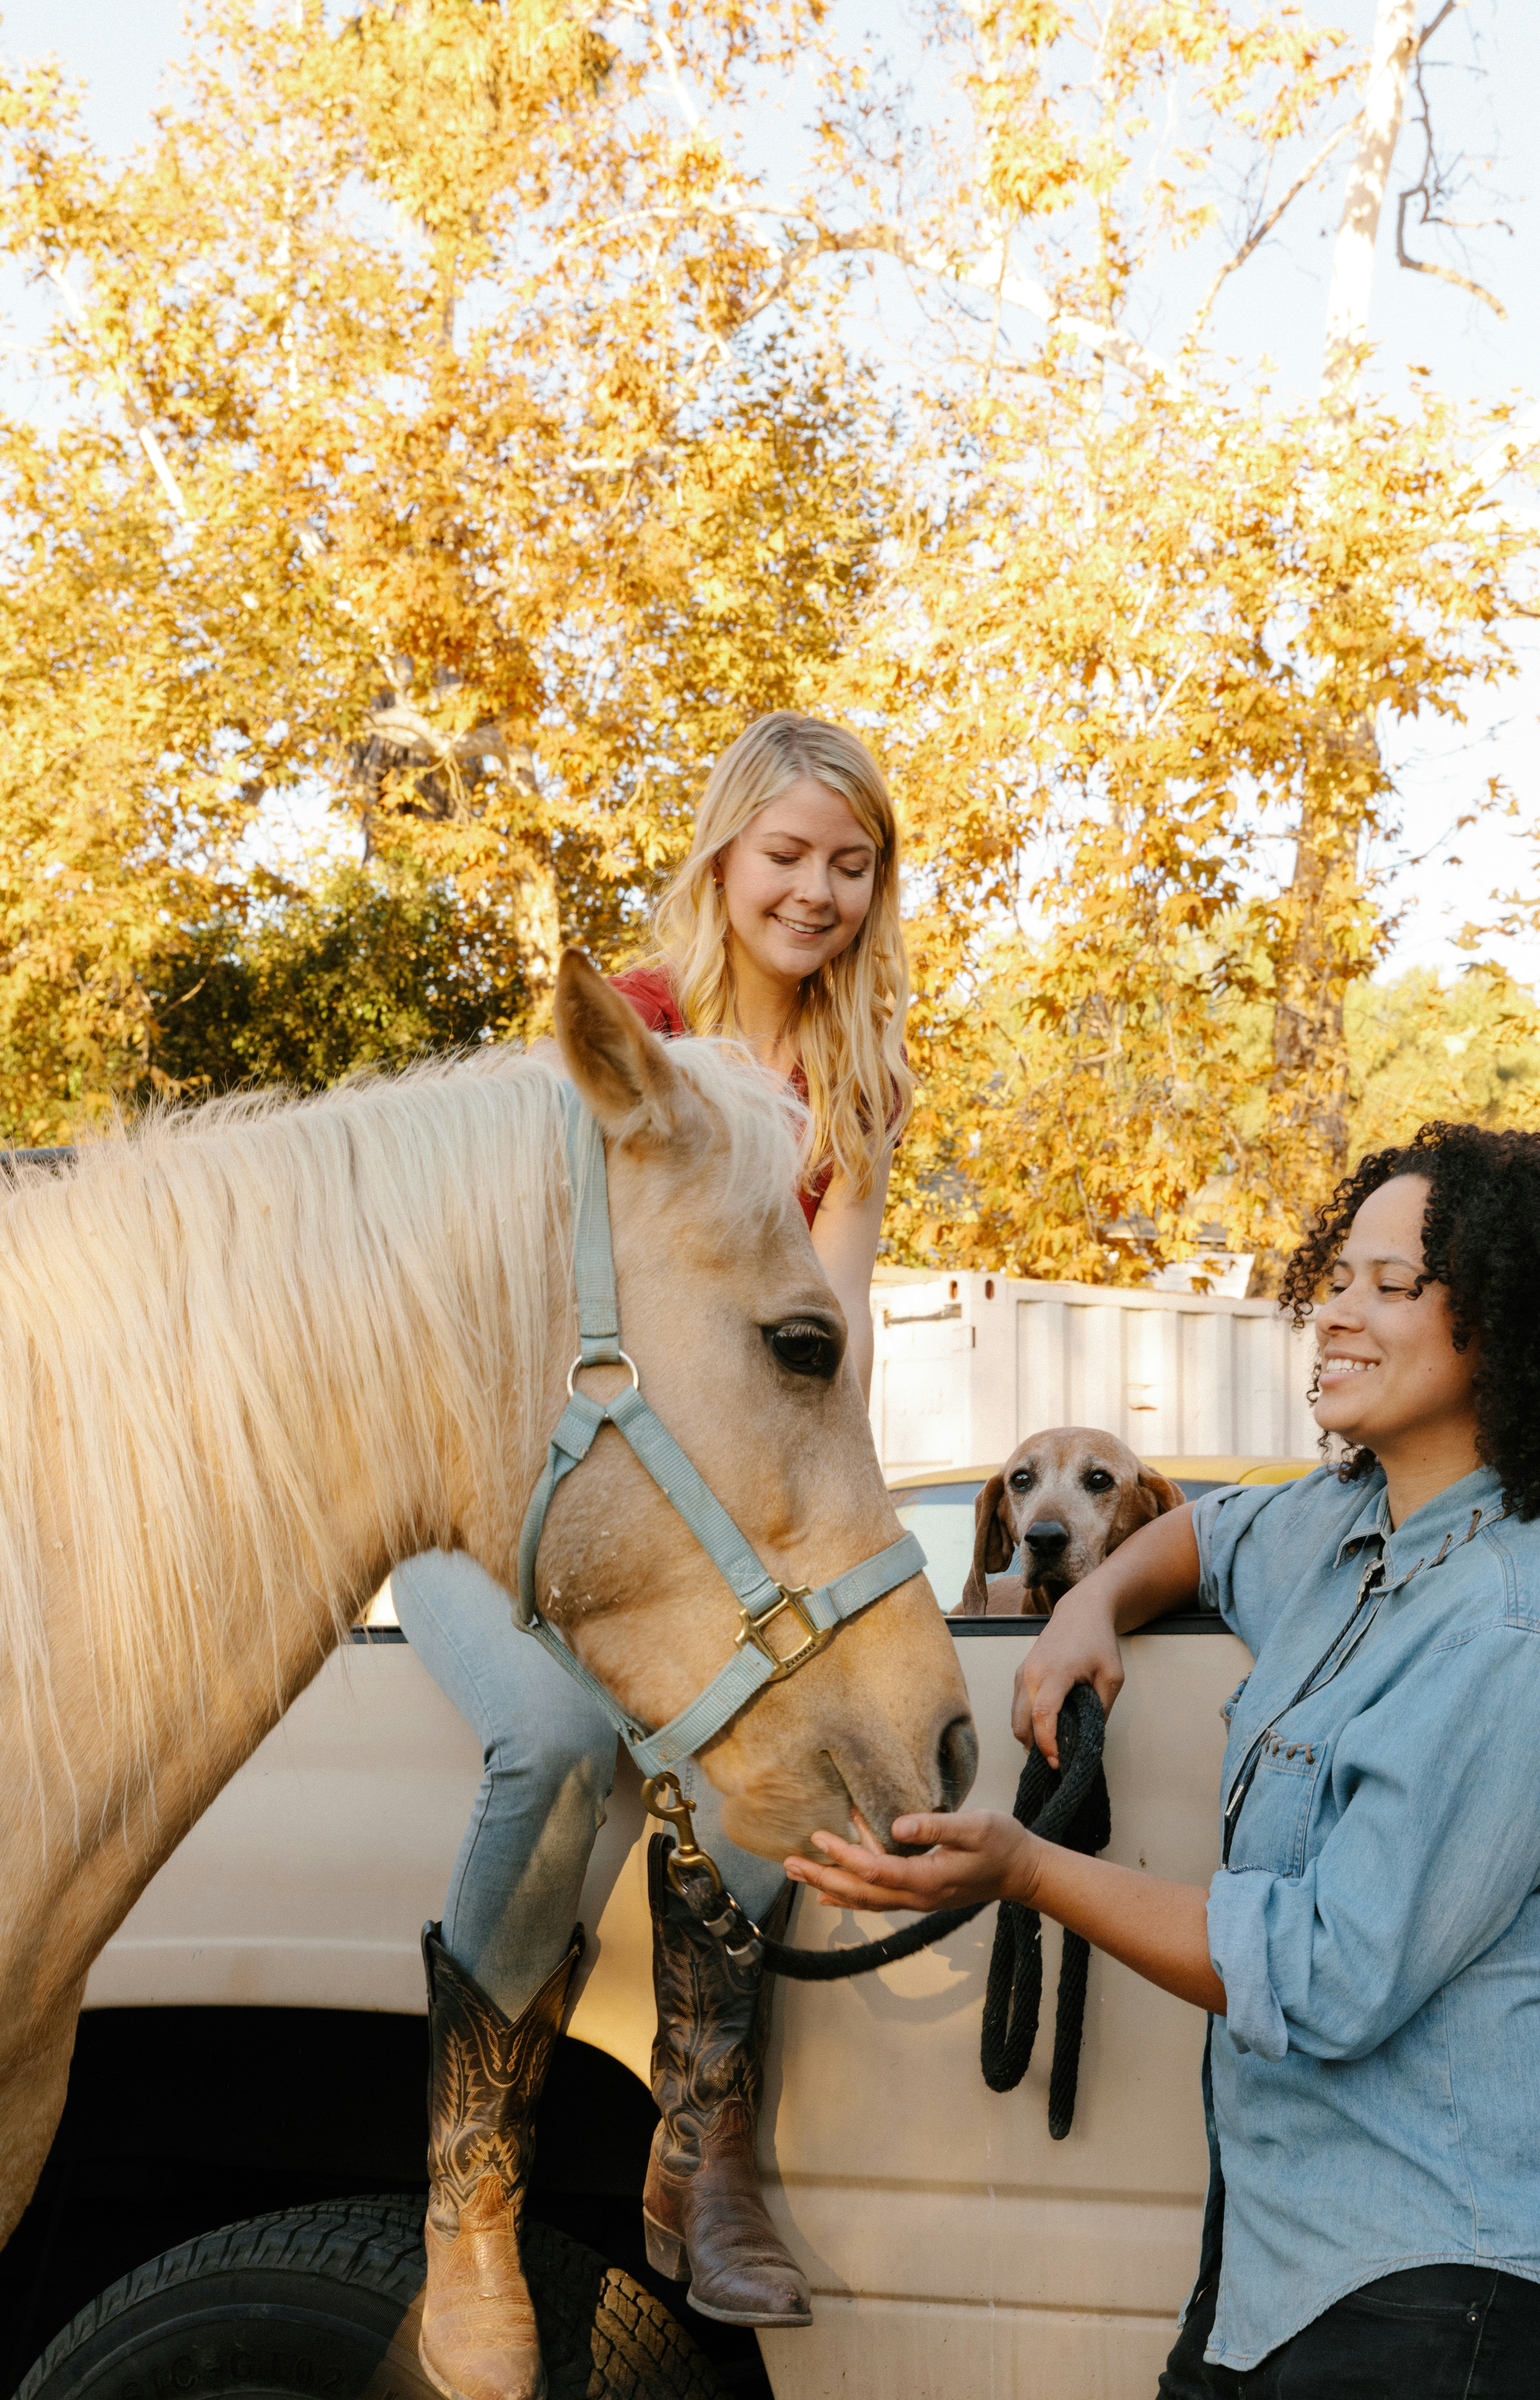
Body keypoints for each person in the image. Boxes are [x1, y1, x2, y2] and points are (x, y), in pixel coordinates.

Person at [788, 1122, 1540, 2399]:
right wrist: (1088, 1610)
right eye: (1338, 1278)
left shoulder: (1528, 1624)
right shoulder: (1353, 1520)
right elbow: (1210, 1536)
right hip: (1290, 2275)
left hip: (1473, 2300)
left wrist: (1027, 1871)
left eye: (1391, 1286)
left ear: (1515, 1322)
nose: (1337, 1315)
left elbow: (1328, 1974)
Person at [393, 711, 912, 2400]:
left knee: (764, 1706)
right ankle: (469, 2209)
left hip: (682, 1530)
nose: (817, 892)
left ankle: (706, 2140)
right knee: (554, 1745)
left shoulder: (857, 1082)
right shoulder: (630, 1037)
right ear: (720, 858)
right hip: (503, 1500)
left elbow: (822, 1349)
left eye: (852, 864)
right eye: (787, 857)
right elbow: (490, 1293)